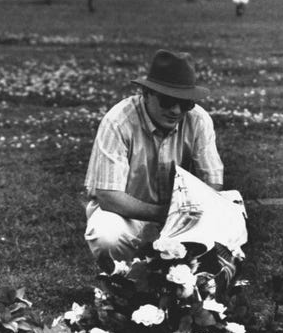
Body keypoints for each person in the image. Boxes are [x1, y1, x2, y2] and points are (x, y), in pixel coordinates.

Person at [83, 49, 224, 271]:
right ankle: (123, 279)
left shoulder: (199, 120)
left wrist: (185, 215)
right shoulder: (118, 122)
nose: (177, 110)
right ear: (146, 94)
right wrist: (162, 214)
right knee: (105, 235)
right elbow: (108, 197)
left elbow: (213, 182)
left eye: (186, 103)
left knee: (226, 217)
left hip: (182, 213)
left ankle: (192, 282)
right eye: (168, 101)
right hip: (127, 214)